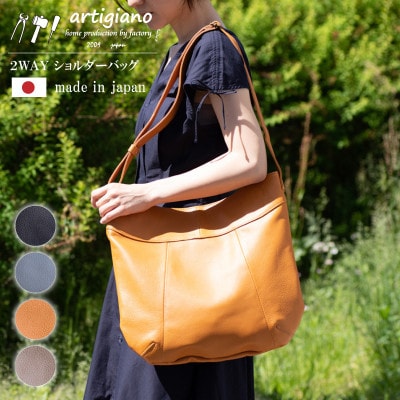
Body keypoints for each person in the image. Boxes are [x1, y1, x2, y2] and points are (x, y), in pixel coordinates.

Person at [84, 0, 267, 399]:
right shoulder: (182, 51)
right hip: (162, 271)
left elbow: (249, 159)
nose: (134, 2)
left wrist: (147, 193)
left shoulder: (213, 49)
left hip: (189, 279)